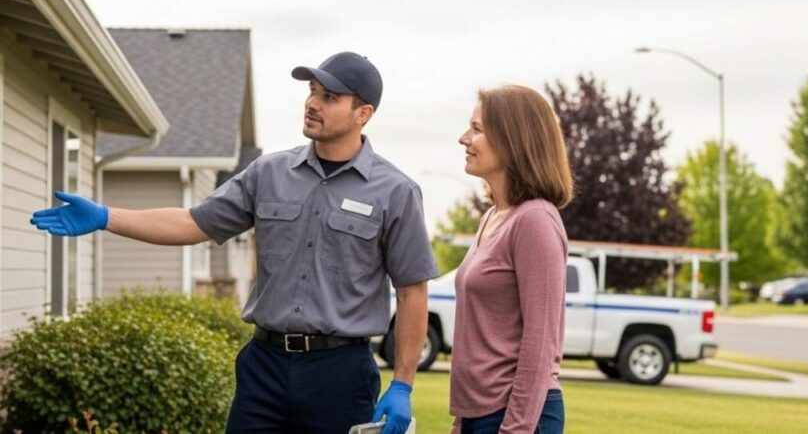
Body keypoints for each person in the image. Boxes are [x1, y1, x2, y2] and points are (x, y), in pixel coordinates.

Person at [30, 51, 438, 434]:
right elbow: (194, 223)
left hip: (340, 372)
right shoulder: (269, 173)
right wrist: (105, 216)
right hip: (264, 366)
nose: (313, 103)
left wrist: (402, 384)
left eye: (329, 97)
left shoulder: (395, 191)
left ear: (362, 114)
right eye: (312, 92)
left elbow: (412, 291)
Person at [450, 85, 573, 434]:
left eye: (477, 129)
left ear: (512, 139)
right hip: (480, 413)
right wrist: (461, 422)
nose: (464, 138)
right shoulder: (493, 217)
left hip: (516, 416)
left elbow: (541, 341)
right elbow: (483, 334)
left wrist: (515, 428)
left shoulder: (535, 220)